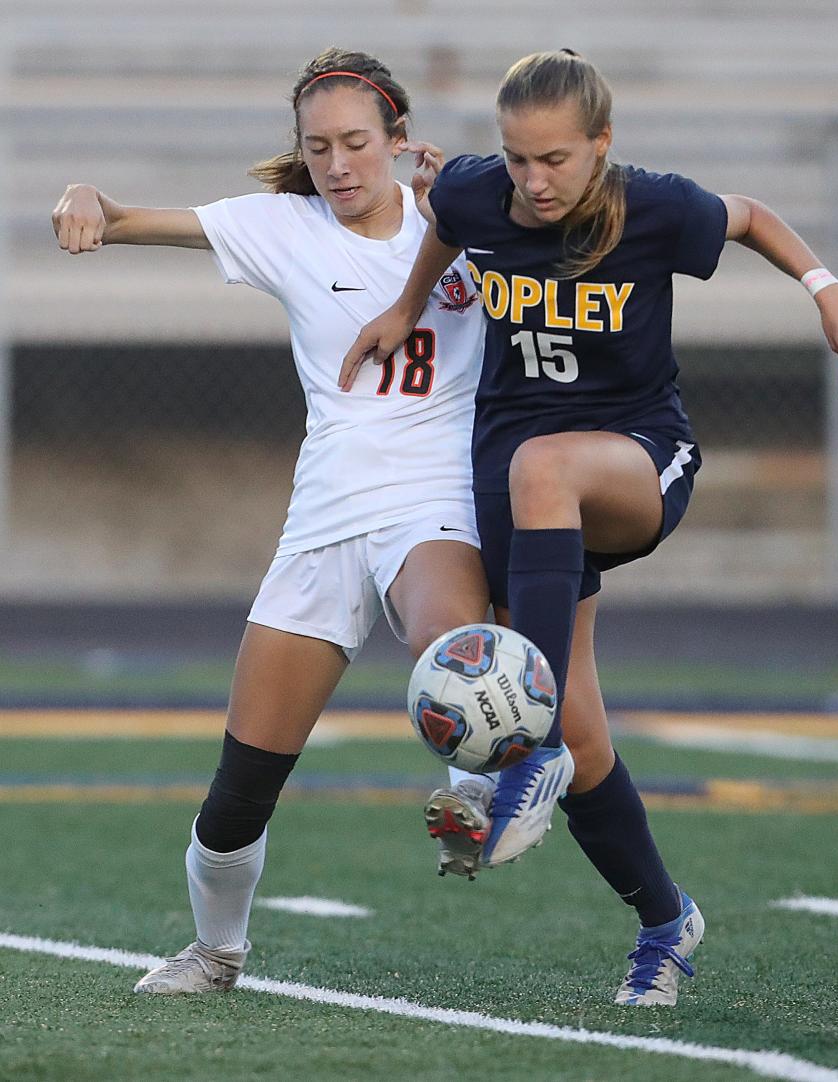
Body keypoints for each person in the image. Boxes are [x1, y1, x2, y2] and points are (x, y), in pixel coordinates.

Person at [339, 49, 838, 1006]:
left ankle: (523, 754)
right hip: (520, 478)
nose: (534, 181)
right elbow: (446, 218)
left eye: (555, 159)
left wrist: (828, 290)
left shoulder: (652, 207)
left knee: (546, 484)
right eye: (517, 160)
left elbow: (751, 217)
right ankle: (665, 922)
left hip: (633, 455)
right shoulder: (477, 193)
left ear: (602, 147)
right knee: (588, 739)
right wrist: (404, 305)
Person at [51, 47, 491, 994]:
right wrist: (88, 194)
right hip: (323, 523)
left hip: (435, 500)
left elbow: (584, 228)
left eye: (357, 144)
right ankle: (216, 952)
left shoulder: (470, 216)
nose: (338, 165)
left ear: (400, 143)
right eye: (318, 146)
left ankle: (478, 789)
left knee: (458, 654)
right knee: (239, 793)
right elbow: (125, 219)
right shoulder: (280, 227)